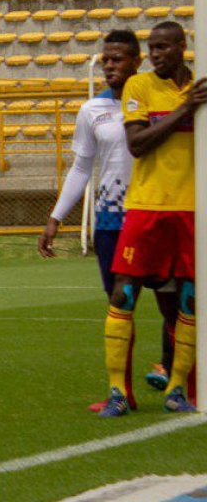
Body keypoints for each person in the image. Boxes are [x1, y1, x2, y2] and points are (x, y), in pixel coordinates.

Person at [37, 30, 179, 413]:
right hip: (113, 220)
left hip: (155, 212)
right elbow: (82, 166)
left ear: (137, 62)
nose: (109, 66)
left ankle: (178, 379)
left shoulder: (157, 100)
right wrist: (56, 217)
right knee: (120, 304)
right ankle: (122, 392)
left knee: (173, 305)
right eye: (106, 60)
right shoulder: (92, 111)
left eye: (118, 59)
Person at [99, 21, 205, 416]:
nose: (157, 54)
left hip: (192, 209)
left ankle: (177, 390)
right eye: (152, 48)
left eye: (163, 47)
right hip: (145, 207)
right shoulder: (139, 87)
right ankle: (117, 393)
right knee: (122, 293)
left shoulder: (198, 85)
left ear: (182, 46)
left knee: (191, 301)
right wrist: (186, 109)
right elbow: (138, 144)